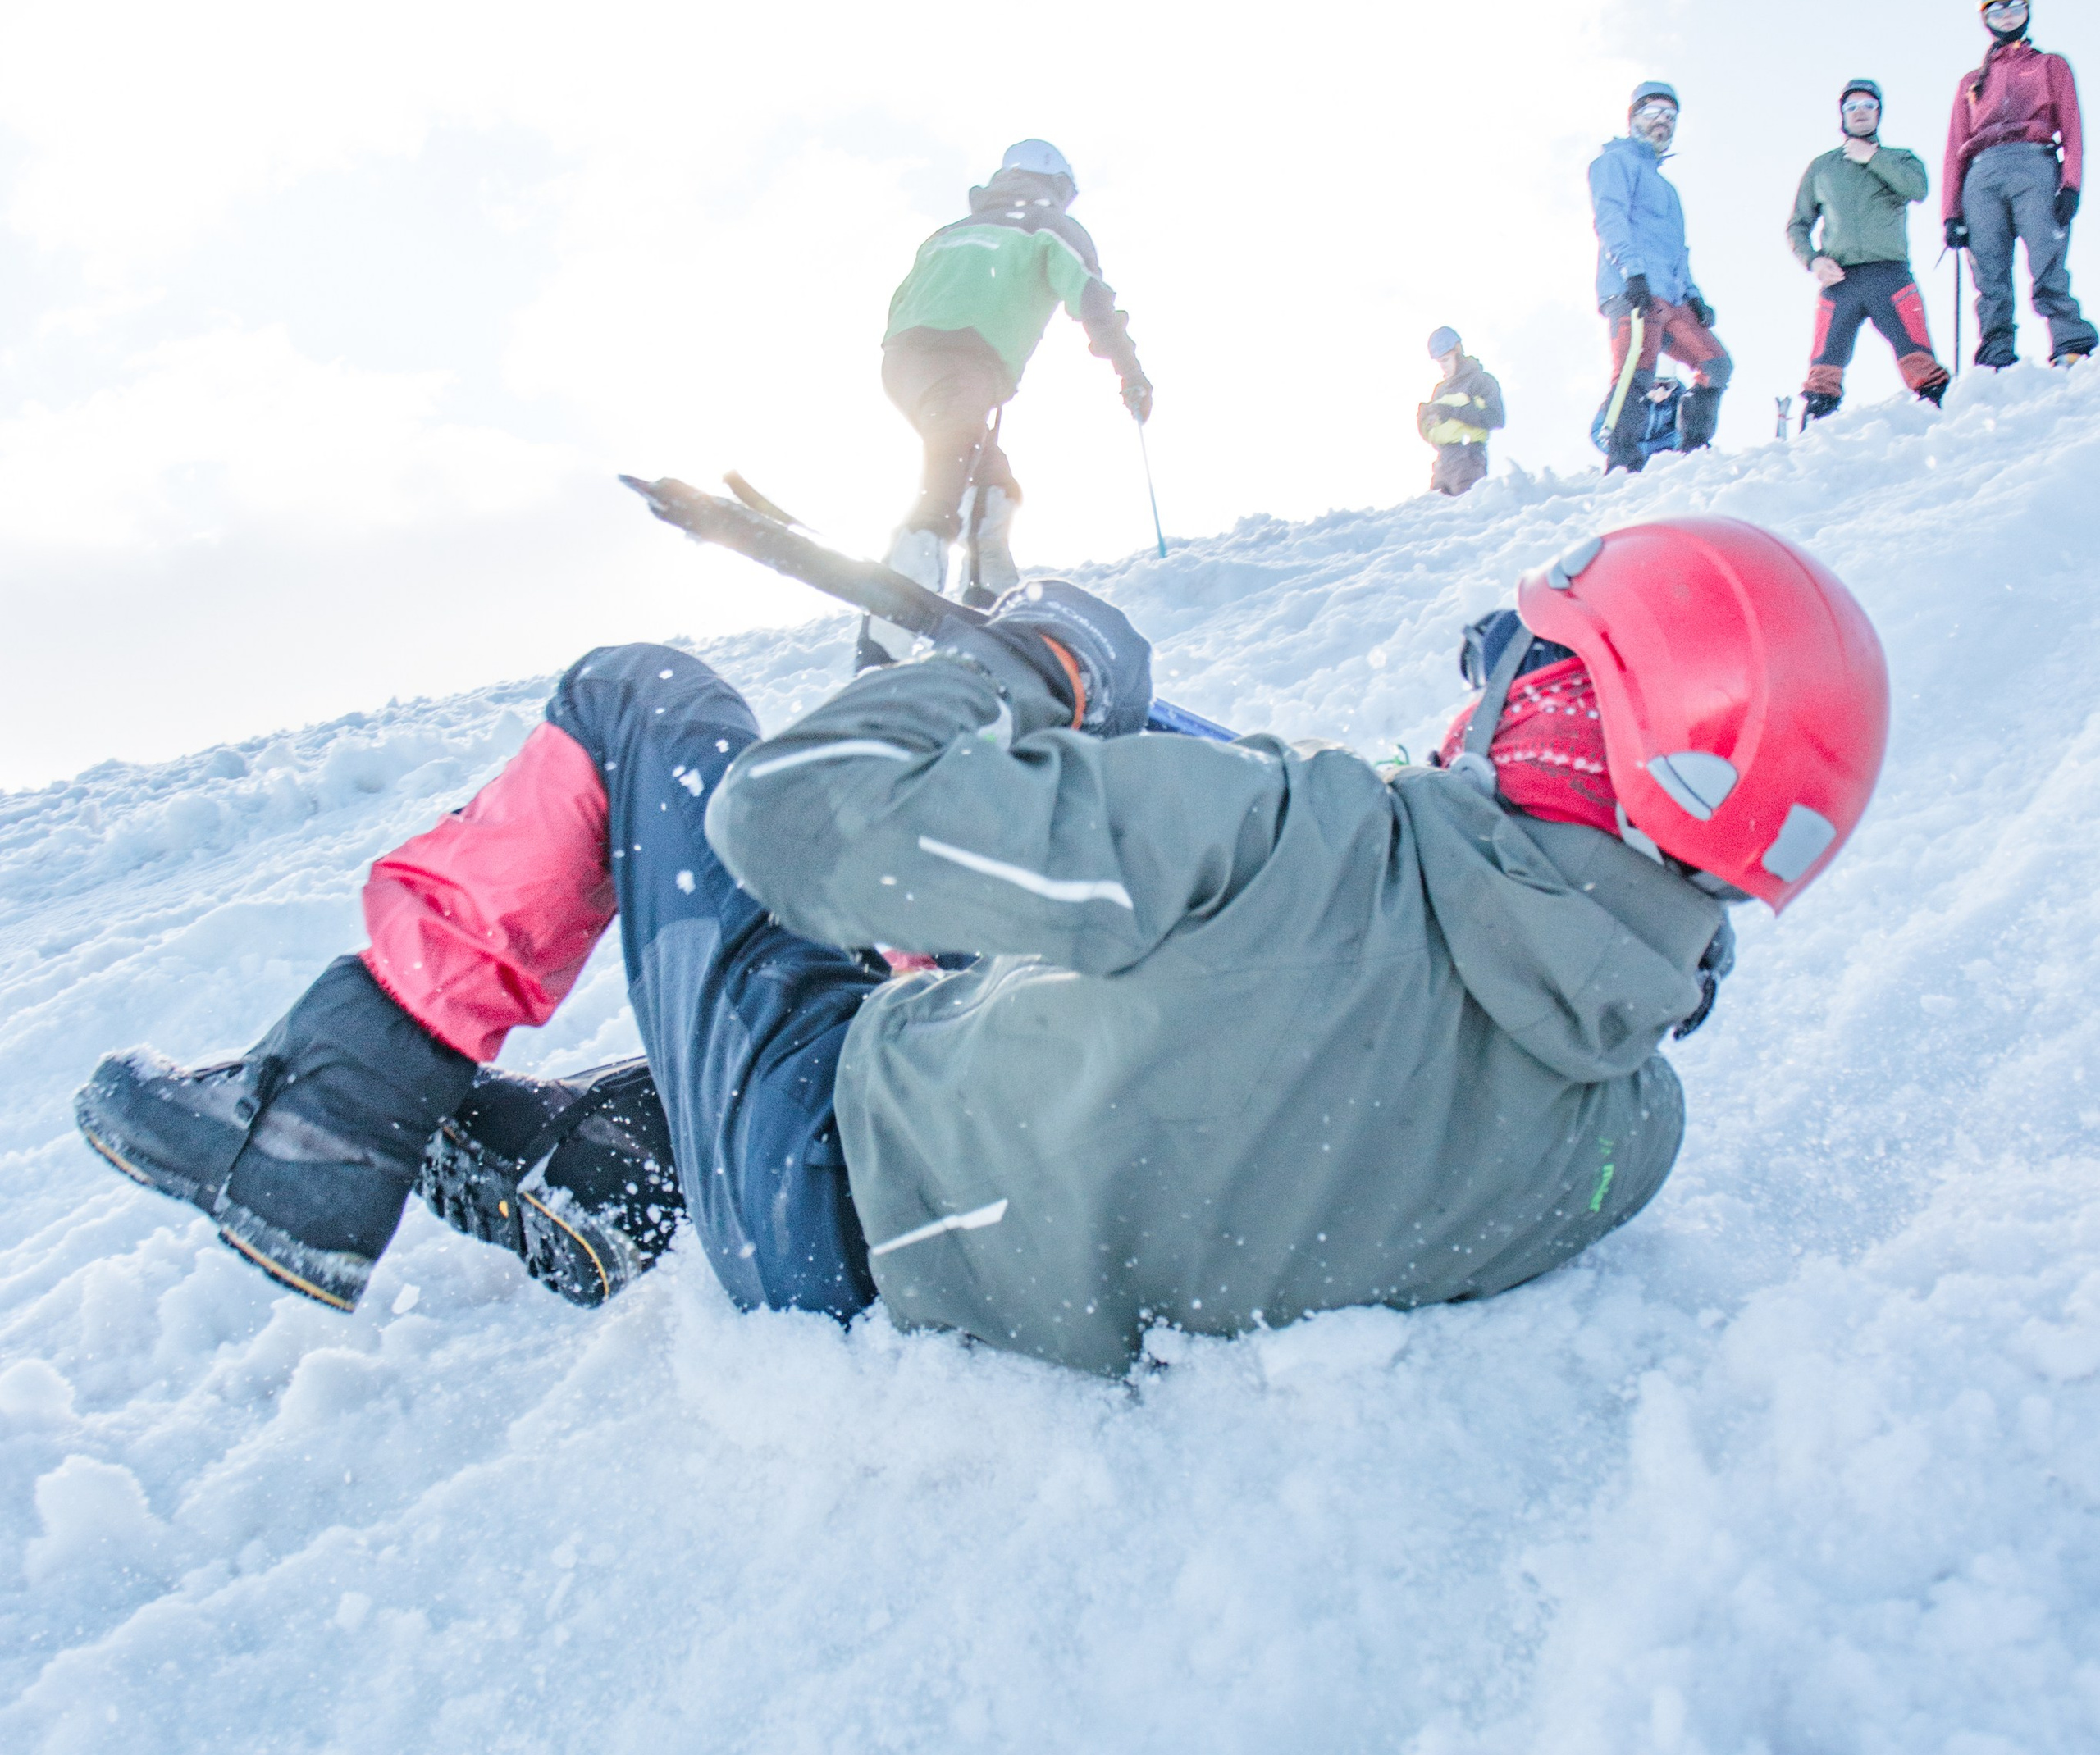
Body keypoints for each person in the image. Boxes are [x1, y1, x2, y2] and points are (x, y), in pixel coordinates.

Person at [75, 522, 1888, 1380]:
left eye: (1519, 666)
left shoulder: (1299, 832)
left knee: (643, 705)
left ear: (1574, 718)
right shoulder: (1622, 1140)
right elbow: (1291, 1054)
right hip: (976, 1254)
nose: (1476, 693)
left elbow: (783, 820)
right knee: (950, 967)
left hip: (821, 1175)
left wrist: (1039, 673)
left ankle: (322, 1117)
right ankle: (599, 1170)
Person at [864, 140, 1151, 655]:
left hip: (904, 363)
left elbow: (902, 302)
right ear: (1060, 187)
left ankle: (986, 595)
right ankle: (893, 621)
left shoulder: (948, 232)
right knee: (953, 469)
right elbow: (1091, 298)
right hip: (966, 361)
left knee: (991, 485)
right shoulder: (1049, 227)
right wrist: (1129, 370)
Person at [1942, 0, 2095, 370]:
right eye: (1996, 8)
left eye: (2015, 6)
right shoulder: (1971, 83)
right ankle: (1995, 355)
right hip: (1982, 176)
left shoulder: (2050, 65)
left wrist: (2071, 184)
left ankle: (2070, 342)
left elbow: (2073, 127)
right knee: (1989, 272)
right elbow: (1954, 152)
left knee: (2047, 259)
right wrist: (1951, 213)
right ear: (1985, 16)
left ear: (2027, 10)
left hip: (2035, 165)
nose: (2007, 15)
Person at [1590, 82, 1732, 472]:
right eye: (1653, 113)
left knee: (1717, 365)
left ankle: (1692, 452)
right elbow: (1611, 219)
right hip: (1634, 290)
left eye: (1670, 117)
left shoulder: (1668, 189)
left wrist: (1693, 295)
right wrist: (1631, 271)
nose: (1663, 123)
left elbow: (1677, 253)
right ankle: (1622, 462)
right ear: (1634, 118)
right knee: (1638, 373)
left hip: (1672, 298)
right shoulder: (1614, 162)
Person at [1787, 79, 1948, 420]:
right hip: (1839, 283)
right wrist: (1813, 260)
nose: (1860, 112)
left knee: (1920, 362)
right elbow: (1797, 225)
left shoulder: (1900, 159)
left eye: (1868, 106)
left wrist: (1873, 157)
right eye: (1852, 107)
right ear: (1842, 116)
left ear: (1879, 113)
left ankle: (1939, 430)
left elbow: (1917, 189)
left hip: (1889, 276)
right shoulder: (1822, 167)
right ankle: (1812, 445)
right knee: (1822, 375)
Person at [1416, 327, 1505, 496]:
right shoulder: (1440, 390)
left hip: (1468, 460)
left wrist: (1452, 412)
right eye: (1440, 362)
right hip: (1442, 464)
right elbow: (1435, 434)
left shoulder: (1481, 381)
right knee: (1438, 518)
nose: (1443, 367)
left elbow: (1496, 418)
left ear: (1458, 350)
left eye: (1446, 360)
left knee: (1466, 515)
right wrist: (1423, 420)